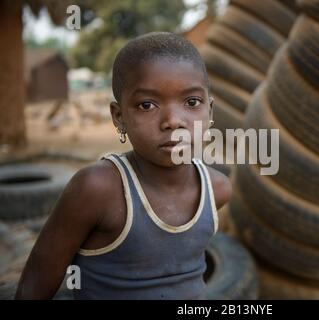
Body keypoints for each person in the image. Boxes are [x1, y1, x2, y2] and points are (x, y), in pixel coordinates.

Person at [15, 32, 232, 299]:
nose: (174, 121)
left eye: (191, 102)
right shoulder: (98, 190)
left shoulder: (217, 189)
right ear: (119, 117)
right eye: (147, 105)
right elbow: (34, 287)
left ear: (209, 111)